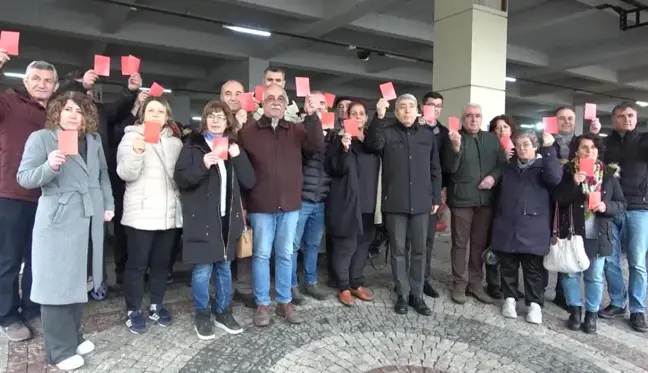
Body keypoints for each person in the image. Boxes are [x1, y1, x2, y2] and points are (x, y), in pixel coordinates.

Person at [16, 91, 114, 370]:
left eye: (80, 110)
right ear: (57, 112)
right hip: (59, 217)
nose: (73, 115)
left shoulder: (92, 140)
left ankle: (74, 336)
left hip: (90, 213)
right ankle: (59, 350)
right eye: (68, 109)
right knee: (57, 283)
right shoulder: (42, 138)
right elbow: (24, 178)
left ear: (87, 117)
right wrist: (49, 166)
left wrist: (108, 203)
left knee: (79, 278)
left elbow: (102, 174)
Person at [238, 84, 324, 326]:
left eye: (280, 98)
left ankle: (285, 302)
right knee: (262, 255)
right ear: (262, 103)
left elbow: (317, 146)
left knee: (286, 255)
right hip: (260, 205)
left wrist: (312, 115)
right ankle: (263, 304)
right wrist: (244, 204)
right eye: (270, 98)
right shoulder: (248, 133)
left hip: (290, 204)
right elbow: (242, 174)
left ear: (286, 104)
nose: (275, 102)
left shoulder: (296, 130)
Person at [174, 101, 255, 340]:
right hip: (201, 219)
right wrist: (202, 165)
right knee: (202, 269)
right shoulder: (192, 146)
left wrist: (238, 157)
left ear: (227, 121)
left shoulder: (232, 146)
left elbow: (249, 181)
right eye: (211, 116)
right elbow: (181, 178)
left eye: (220, 116)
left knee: (224, 268)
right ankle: (202, 314)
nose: (216, 120)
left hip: (226, 219)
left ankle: (223, 312)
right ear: (205, 120)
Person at [365, 94, 442, 316]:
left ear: (418, 111)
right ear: (396, 112)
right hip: (395, 201)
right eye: (402, 108)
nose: (407, 111)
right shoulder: (387, 132)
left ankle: (416, 294)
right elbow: (372, 144)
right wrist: (378, 117)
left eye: (411, 107)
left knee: (419, 250)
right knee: (398, 251)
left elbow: (435, 169)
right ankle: (402, 292)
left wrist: (435, 198)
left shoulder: (427, 136)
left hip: (421, 202)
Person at [0, 56, 59, 341]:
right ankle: (8, 315)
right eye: (35, 78)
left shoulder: (58, 115)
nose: (41, 84)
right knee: (9, 259)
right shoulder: (8, 103)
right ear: (25, 81)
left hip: (47, 197)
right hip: (12, 194)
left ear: (55, 85)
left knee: (38, 258)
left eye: (47, 80)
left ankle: (32, 307)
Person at [116, 96, 183, 334]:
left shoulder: (176, 143)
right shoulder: (130, 137)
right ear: (143, 113)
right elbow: (125, 173)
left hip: (168, 215)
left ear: (167, 117)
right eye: (151, 110)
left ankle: (156, 305)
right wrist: (136, 152)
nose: (155, 114)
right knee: (136, 265)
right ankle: (133, 310)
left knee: (161, 265)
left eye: (161, 111)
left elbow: (180, 178)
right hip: (140, 214)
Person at [555, 134, 626, 334]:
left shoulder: (609, 175)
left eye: (593, 147)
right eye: (584, 148)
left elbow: (622, 203)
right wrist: (574, 184)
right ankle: (575, 311)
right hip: (573, 232)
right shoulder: (567, 171)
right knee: (570, 274)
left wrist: (607, 206)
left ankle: (591, 315)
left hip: (599, 233)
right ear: (576, 152)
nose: (589, 151)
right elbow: (558, 200)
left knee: (594, 277)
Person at [490, 130, 562, 325]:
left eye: (526, 145)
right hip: (507, 223)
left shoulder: (543, 166)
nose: (522, 148)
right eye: (518, 145)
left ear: (535, 146)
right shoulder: (509, 167)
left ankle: (534, 305)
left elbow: (555, 178)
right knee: (508, 265)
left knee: (533, 269)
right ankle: (509, 299)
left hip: (534, 226)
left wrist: (549, 150)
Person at [591, 102, 648, 331]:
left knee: (637, 262)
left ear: (636, 118)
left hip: (639, 208)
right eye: (622, 116)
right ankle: (617, 302)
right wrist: (593, 135)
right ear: (613, 119)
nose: (627, 119)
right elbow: (589, 158)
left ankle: (637, 309)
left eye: (631, 115)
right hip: (611, 207)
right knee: (610, 260)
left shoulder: (644, 142)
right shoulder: (605, 144)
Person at [443, 104, 506, 305]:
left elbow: (502, 165)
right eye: (469, 116)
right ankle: (459, 284)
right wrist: (455, 148)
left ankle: (476, 284)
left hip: (485, 200)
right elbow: (449, 168)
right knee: (460, 244)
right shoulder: (454, 137)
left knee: (479, 245)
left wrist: (493, 179)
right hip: (461, 199)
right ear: (463, 119)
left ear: (482, 119)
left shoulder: (491, 139)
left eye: (477, 116)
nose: (473, 119)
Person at [326, 101, 380, 306]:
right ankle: (343, 286)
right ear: (346, 117)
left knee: (363, 244)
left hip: (369, 202)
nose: (357, 116)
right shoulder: (338, 140)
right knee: (345, 246)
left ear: (366, 118)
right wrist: (344, 149)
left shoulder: (372, 144)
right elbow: (332, 168)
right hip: (346, 203)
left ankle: (356, 283)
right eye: (353, 113)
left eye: (361, 113)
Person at [291, 91, 331, 303]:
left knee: (313, 245)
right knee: (293, 245)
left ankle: (311, 282)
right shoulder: (301, 129)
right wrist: (311, 119)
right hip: (302, 198)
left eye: (322, 104)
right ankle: (291, 285)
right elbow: (308, 152)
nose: (319, 107)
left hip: (321, 198)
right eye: (314, 104)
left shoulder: (332, 132)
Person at [485, 115, 518, 299]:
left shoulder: (519, 149)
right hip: (491, 202)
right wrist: (502, 160)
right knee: (492, 244)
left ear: (511, 130)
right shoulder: (489, 149)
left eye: (505, 127)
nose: (501, 130)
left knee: (510, 246)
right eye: (497, 127)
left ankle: (509, 283)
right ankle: (493, 282)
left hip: (512, 205)